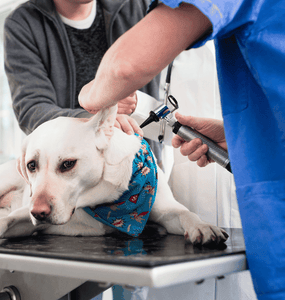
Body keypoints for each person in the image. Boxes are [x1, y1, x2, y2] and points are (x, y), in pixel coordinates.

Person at [78, 1, 285, 299]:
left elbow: (124, 67)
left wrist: (91, 94)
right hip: (217, 174)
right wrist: (232, 135)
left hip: (260, 207)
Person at [4, 0, 162, 162]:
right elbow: (33, 109)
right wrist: (98, 120)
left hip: (143, 165)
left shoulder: (137, 5)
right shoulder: (23, 23)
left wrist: (138, 103)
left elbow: (165, 91)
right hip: (72, 171)